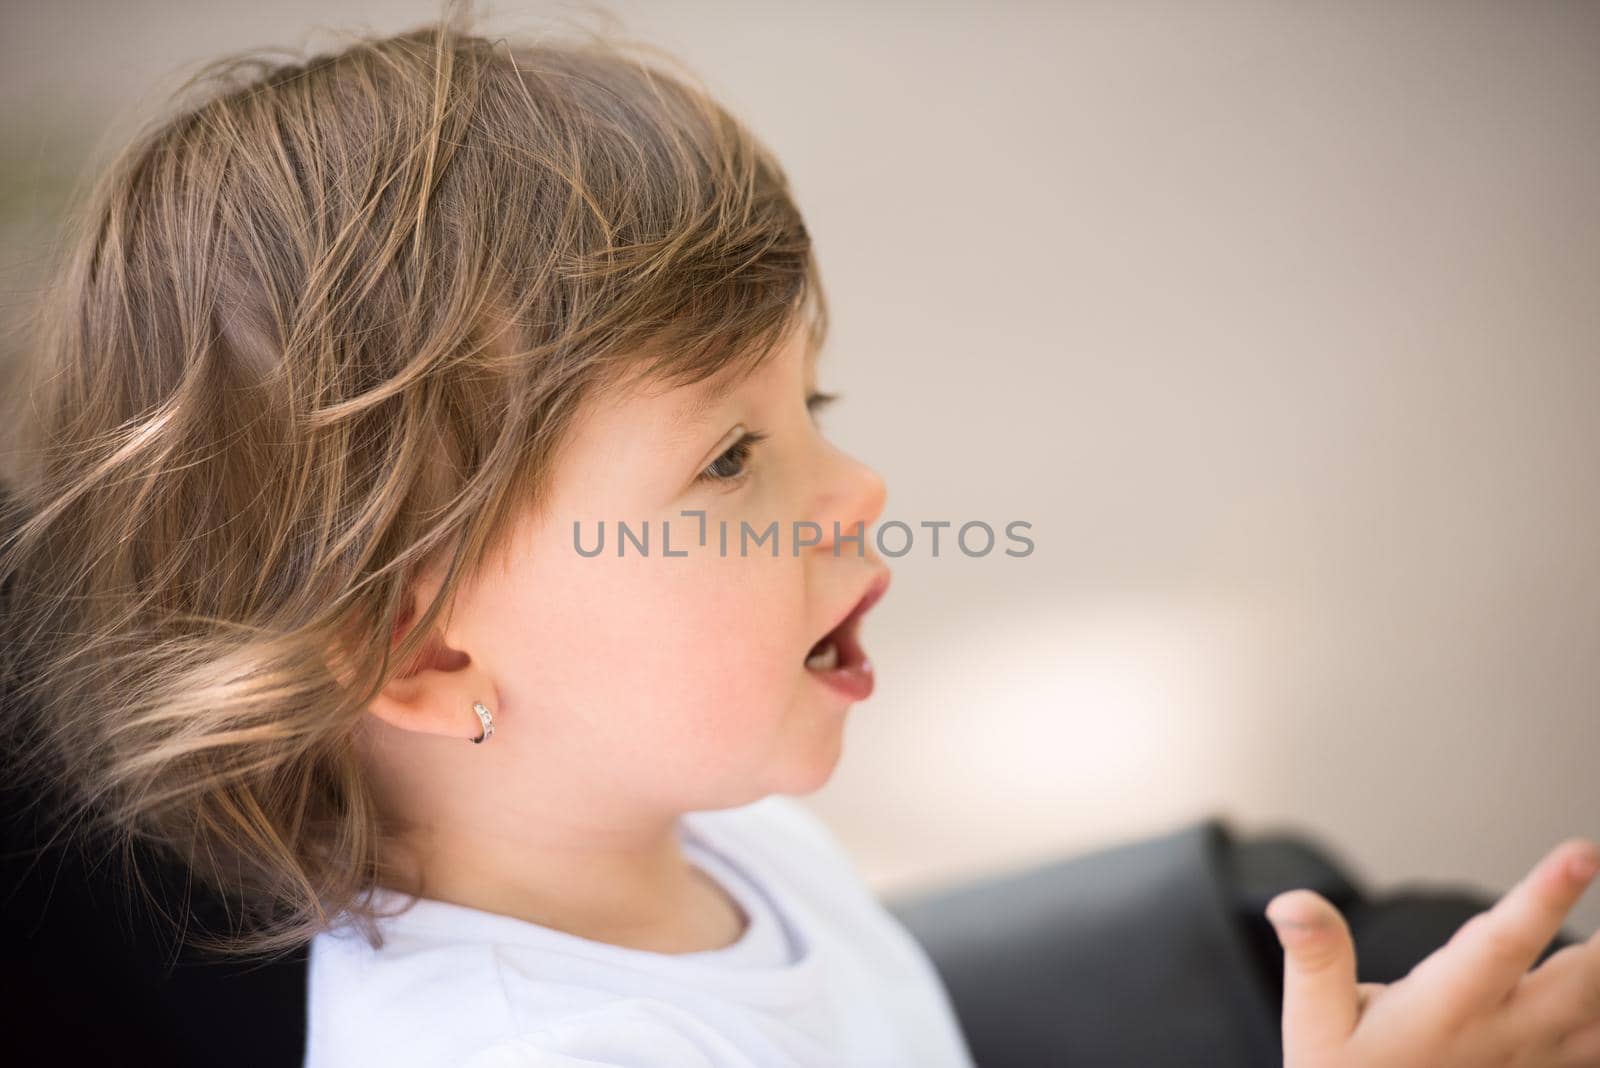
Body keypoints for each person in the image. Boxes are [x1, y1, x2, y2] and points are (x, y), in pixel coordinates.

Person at [1, 8, 1596, 1066]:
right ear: (422, 649)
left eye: (810, 403)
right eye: (730, 457)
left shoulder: (700, 832)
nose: (857, 488)